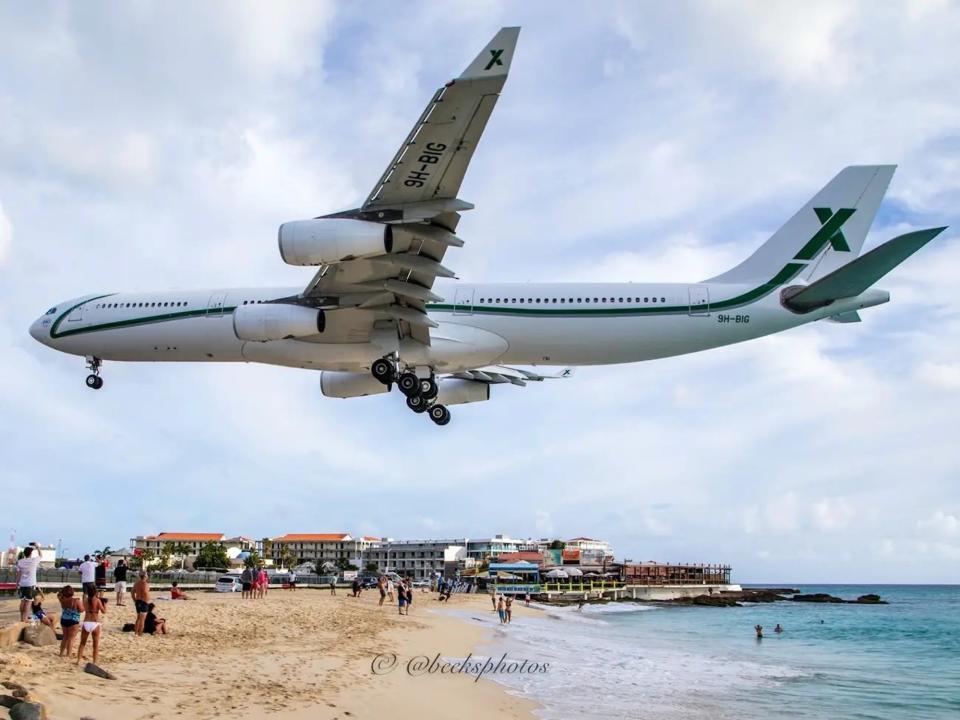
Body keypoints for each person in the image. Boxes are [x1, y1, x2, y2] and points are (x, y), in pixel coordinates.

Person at [76, 585, 105, 665]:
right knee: (95, 645)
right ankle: (95, 662)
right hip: (95, 623)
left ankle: (78, 660)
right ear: (95, 592)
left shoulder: (85, 600)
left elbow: (82, 610)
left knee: (82, 643)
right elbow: (103, 611)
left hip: (86, 622)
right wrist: (105, 604)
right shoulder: (98, 600)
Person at [15, 545, 42, 622]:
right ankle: (25, 619)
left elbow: (18, 574)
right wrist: (38, 547)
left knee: (22, 601)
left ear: (24, 553)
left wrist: (17, 583)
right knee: (28, 602)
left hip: (22, 584)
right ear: (31, 553)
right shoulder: (34, 560)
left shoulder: (20, 562)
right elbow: (40, 555)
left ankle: (21, 618)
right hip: (30, 584)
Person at [58, 585, 83, 659]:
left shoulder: (62, 599)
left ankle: (61, 653)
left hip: (64, 619)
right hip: (73, 620)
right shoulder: (76, 601)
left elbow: (59, 595)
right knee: (71, 638)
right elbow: (81, 610)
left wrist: (61, 593)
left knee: (65, 637)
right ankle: (68, 654)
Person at [132, 571, 151, 636]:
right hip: (143, 602)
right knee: (142, 620)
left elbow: (132, 592)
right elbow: (145, 592)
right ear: (145, 576)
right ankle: (140, 634)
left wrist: (134, 600)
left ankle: (136, 633)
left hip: (138, 601)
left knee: (138, 618)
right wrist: (147, 600)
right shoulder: (145, 584)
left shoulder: (136, 583)